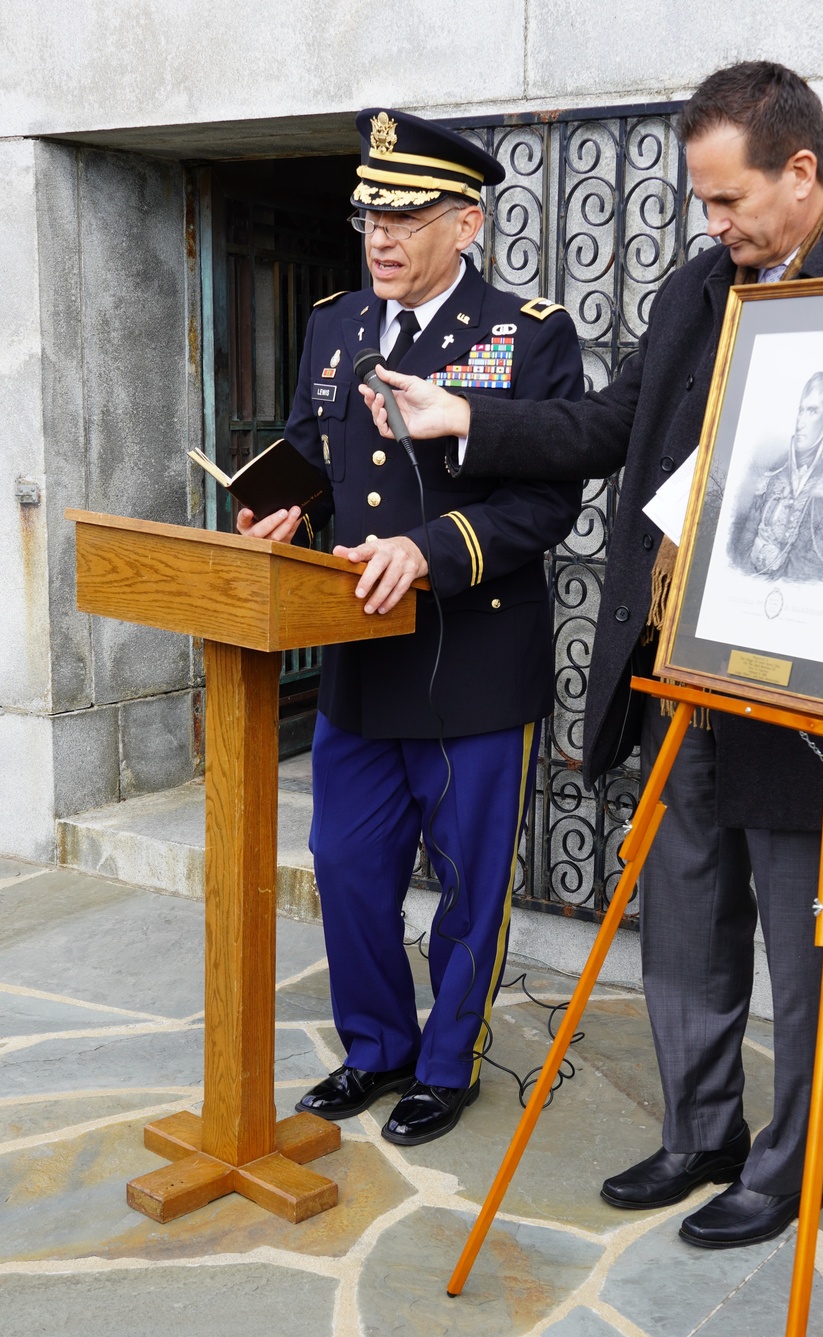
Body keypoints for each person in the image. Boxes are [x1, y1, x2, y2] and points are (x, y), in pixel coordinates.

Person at [360, 63, 823, 1240]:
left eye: (728, 201)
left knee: (801, 946)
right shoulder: (701, 286)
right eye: (701, 205)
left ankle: (783, 1161)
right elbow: (613, 424)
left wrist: (799, 471)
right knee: (686, 915)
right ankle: (698, 1134)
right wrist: (469, 420)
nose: (712, 227)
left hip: (812, 675)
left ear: (800, 173)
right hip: (681, 662)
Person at [238, 108, 584, 1145]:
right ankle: (378, 1046)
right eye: (366, 214)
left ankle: (445, 1063)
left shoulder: (527, 332)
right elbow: (310, 443)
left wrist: (429, 551)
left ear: (466, 224)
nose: (379, 237)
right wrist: (281, 502)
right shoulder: (335, 325)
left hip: (475, 660)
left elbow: (546, 504)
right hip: (359, 659)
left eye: (406, 215)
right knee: (346, 866)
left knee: (471, 885)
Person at [730, 371, 823, 582]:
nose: (801, 421)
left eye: (812, 411)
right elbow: (744, 538)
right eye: (800, 410)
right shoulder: (774, 470)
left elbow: (821, 569)